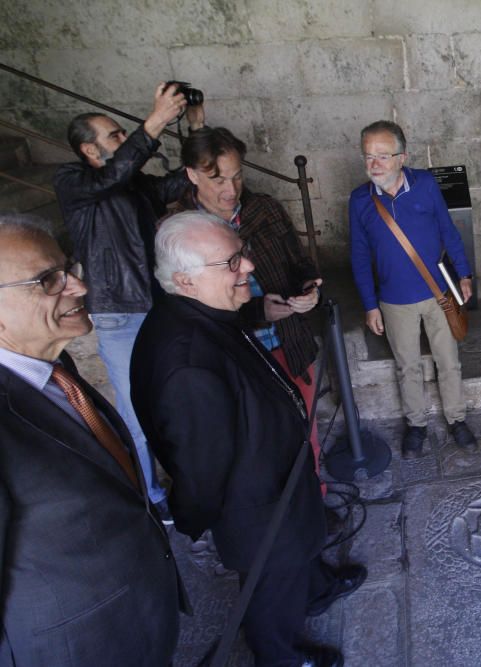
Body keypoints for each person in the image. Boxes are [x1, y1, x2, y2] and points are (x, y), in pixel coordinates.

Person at [131, 212, 364, 667]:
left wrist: (265, 309)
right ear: (186, 279)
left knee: (303, 539)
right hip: (254, 503)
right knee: (270, 580)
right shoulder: (186, 363)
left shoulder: (198, 310)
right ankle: (280, 654)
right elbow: (201, 468)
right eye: (233, 261)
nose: (249, 268)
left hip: (278, 473)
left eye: (243, 254)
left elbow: (231, 330)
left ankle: (316, 587)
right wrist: (195, 519)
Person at [0, 215, 181, 666]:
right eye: (48, 280)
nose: (79, 287)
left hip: (136, 617)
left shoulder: (56, 370)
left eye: (69, 270)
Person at [52, 82, 205, 521]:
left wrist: (194, 128)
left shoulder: (130, 182)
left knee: (176, 398)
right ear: (88, 150)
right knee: (137, 414)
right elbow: (111, 176)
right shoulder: (73, 182)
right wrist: (154, 121)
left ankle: (188, 479)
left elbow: (182, 181)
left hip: (158, 302)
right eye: (115, 135)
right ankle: (152, 498)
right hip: (120, 312)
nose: (125, 140)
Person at [175, 127, 325, 493]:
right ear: (192, 175)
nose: (231, 188)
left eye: (237, 175)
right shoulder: (180, 230)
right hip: (235, 358)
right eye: (218, 179)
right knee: (259, 446)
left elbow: (299, 263)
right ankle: (278, 517)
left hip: (286, 345)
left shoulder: (265, 210)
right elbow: (188, 311)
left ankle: (314, 502)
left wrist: (309, 290)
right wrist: (259, 312)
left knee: (306, 434)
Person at [349, 120, 477, 459]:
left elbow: (448, 231)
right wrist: (370, 305)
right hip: (394, 300)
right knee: (407, 365)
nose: (373, 164)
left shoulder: (425, 185)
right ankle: (416, 424)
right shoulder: (360, 200)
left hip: (438, 293)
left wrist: (463, 275)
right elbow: (360, 256)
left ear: (402, 157)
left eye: (382, 156)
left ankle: (457, 419)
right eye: (368, 157)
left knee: (448, 360)